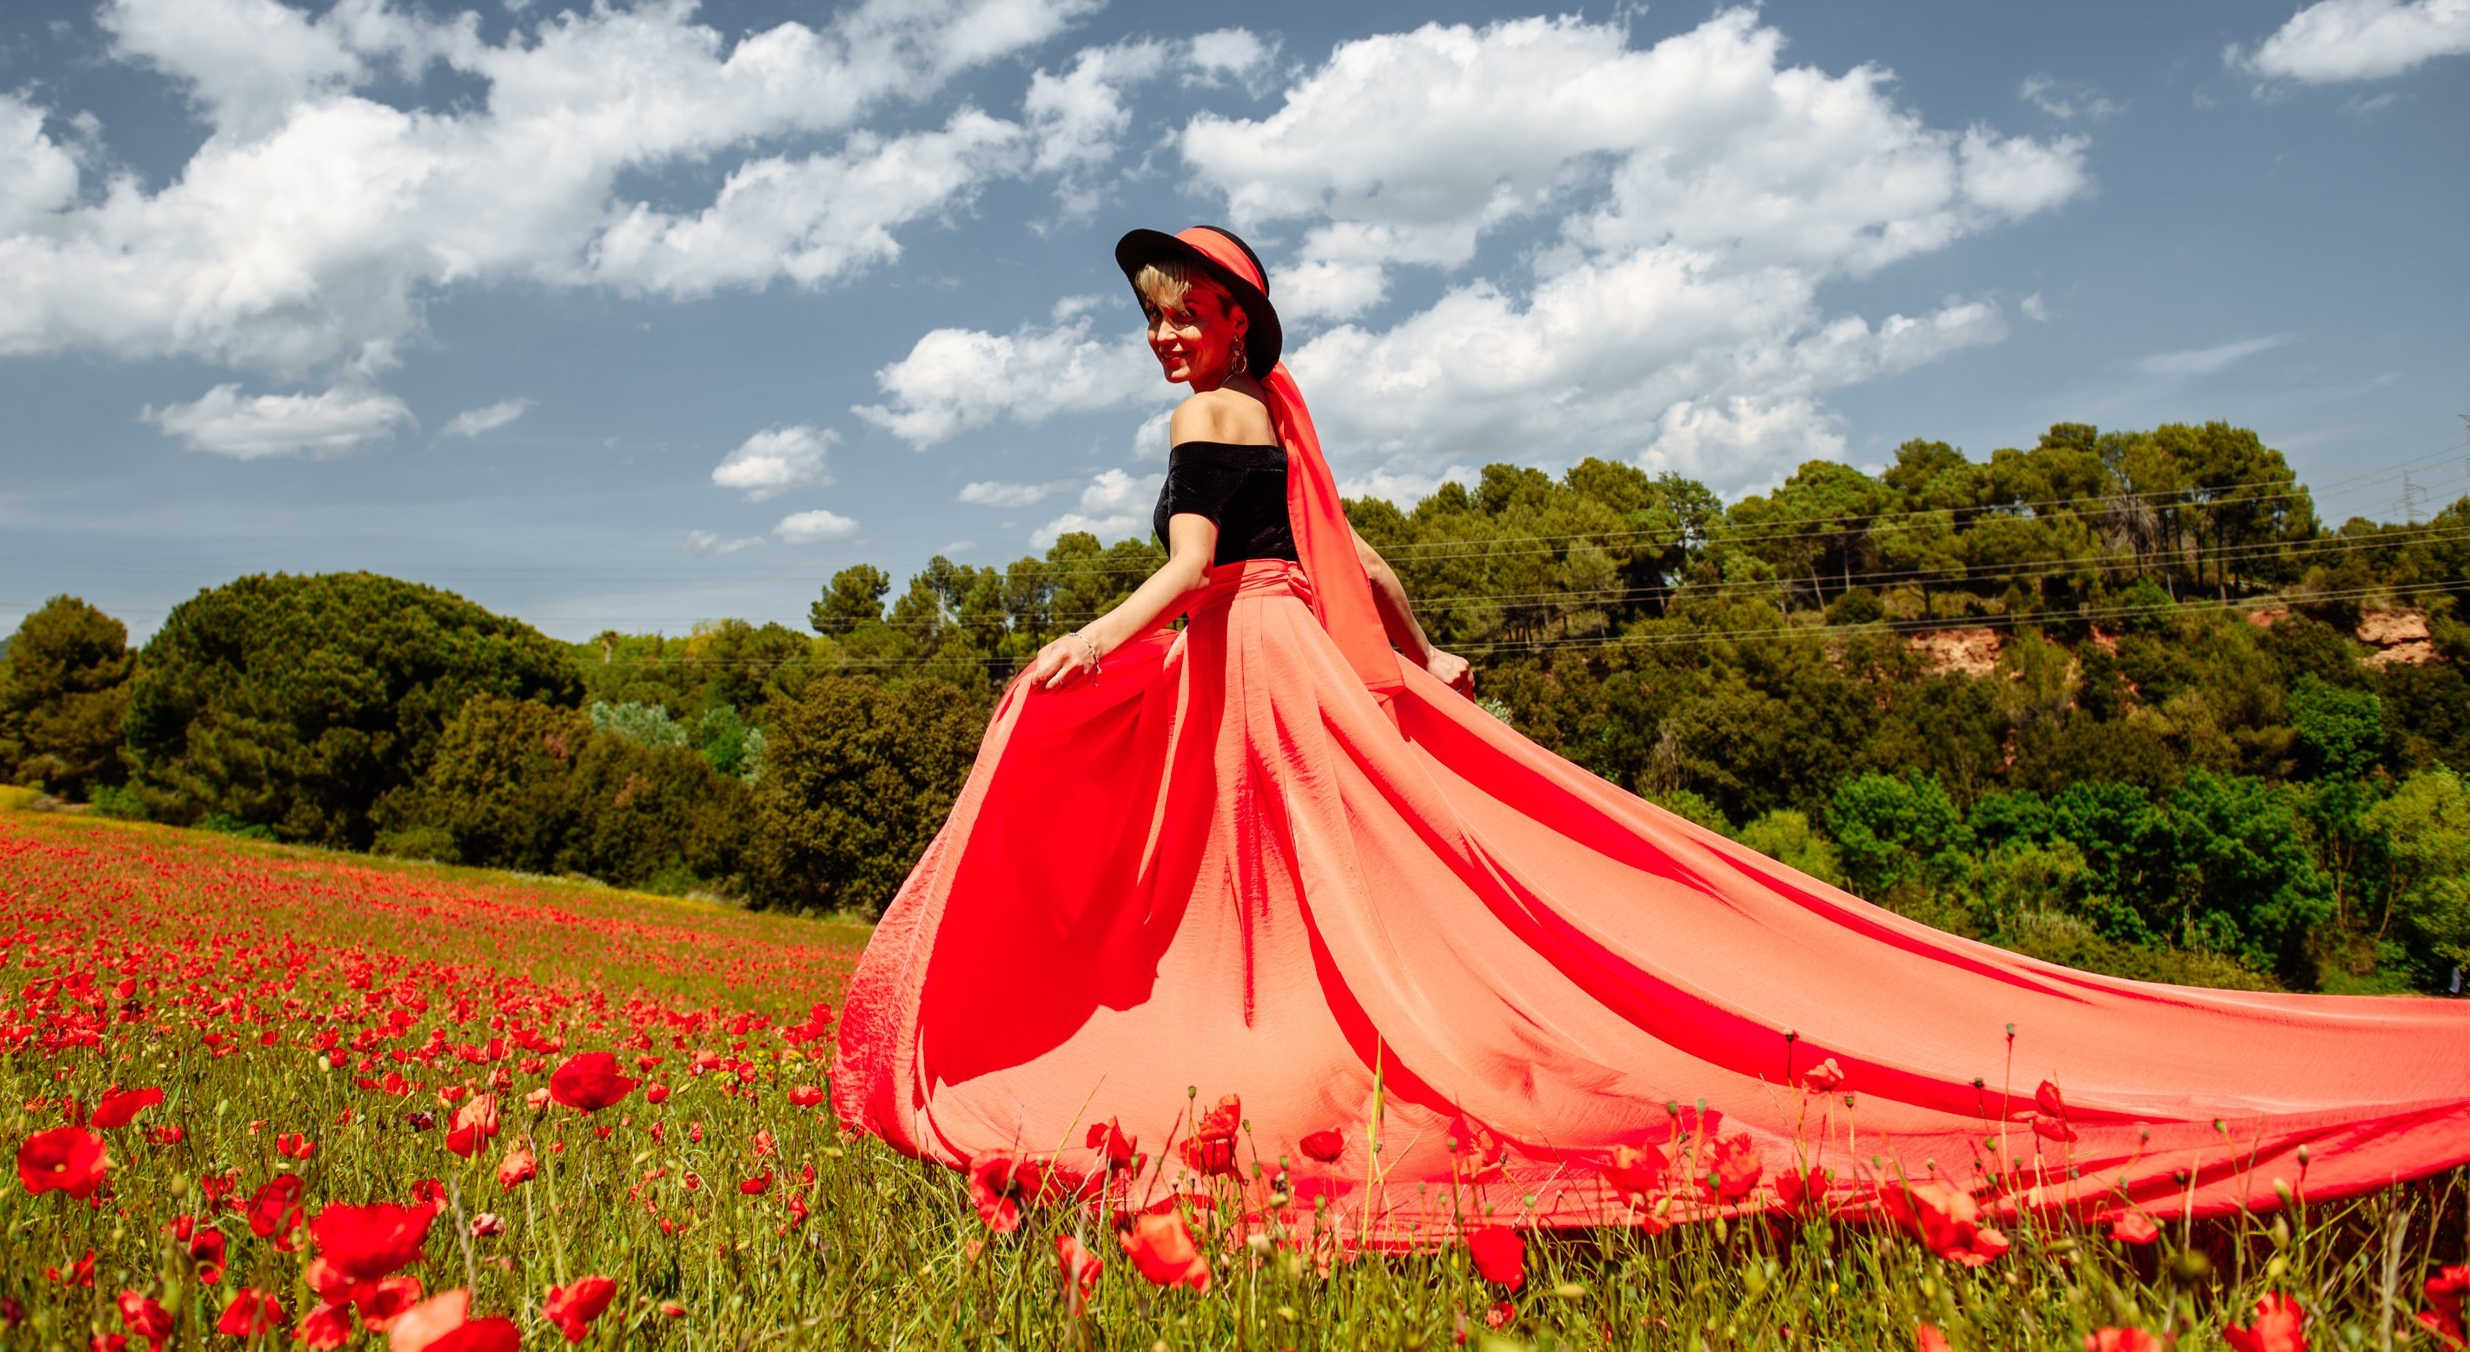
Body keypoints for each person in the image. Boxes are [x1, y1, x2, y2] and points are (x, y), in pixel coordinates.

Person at [834, 224, 2470, 1245]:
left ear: (1234, 324)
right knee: (1361, 875)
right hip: (1305, 656)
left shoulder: (1207, 421)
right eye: (1151, 318)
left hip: (1248, 666)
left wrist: (1085, 636)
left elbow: (1196, 572)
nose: (1163, 338)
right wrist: (1420, 649)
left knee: (1256, 897)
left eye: (1180, 312)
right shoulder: (1280, 422)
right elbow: (1362, 558)